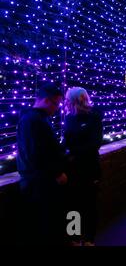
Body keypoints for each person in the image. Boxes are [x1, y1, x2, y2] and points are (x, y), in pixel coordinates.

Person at [16, 83, 67, 245]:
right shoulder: (34, 121)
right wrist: (57, 173)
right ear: (46, 101)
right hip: (39, 182)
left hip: (38, 180)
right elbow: (37, 154)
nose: (58, 108)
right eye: (56, 103)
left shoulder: (35, 118)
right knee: (44, 225)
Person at [63, 87, 103, 246]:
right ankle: (75, 237)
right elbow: (67, 141)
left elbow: (95, 144)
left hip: (89, 168)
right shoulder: (69, 118)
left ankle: (88, 238)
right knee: (73, 204)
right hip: (74, 168)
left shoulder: (94, 116)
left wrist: (73, 153)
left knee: (89, 204)